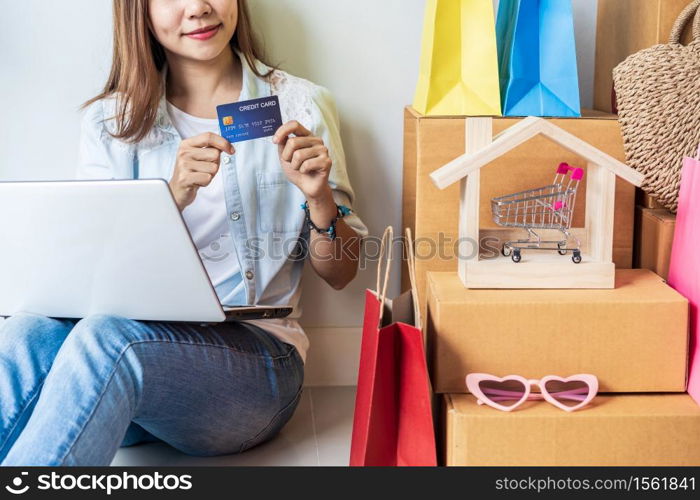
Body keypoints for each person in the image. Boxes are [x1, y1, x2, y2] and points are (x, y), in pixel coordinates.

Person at [0, 0, 366, 466]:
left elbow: (342, 275)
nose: (198, 9)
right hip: (131, 373)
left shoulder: (300, 105)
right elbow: (86, 277)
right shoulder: (110, 121)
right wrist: (169, 198)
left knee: (108, 338)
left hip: (255, 366)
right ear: (141, 13)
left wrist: (319, 199)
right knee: (30, 328)